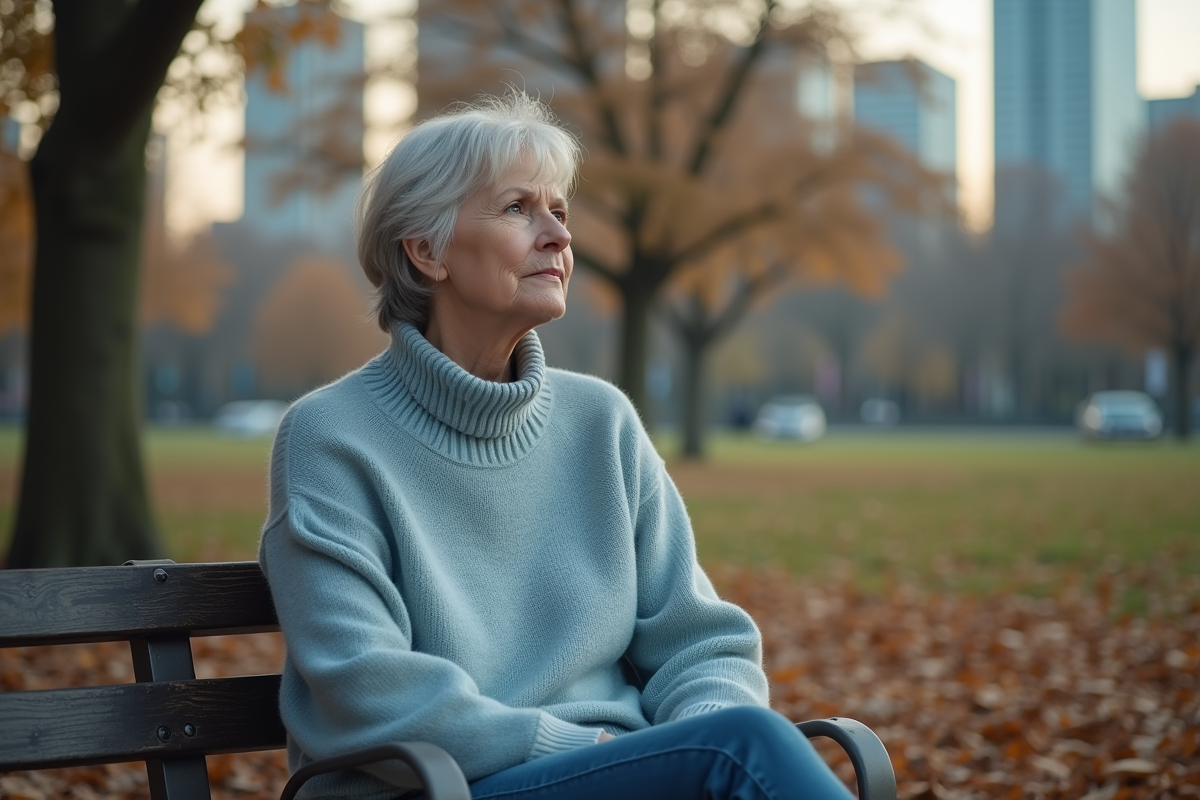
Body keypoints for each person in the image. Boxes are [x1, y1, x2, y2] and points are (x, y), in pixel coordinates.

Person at [258, 90, 854, 800]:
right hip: (442, 787)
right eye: (519, 209)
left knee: (735, 742)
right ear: (426, 251)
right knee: (745, 751)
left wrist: (693, 732)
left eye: (560, 212)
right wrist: (600, 750)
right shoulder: (331, 437)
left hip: (628, 774)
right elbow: (366, 687)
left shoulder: (601, 421)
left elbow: (701, 644)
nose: (559, 237)